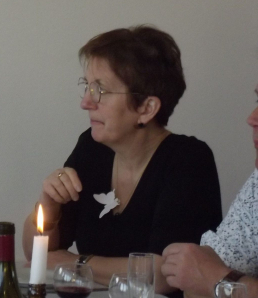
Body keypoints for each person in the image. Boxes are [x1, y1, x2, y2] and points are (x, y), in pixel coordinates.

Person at [22, 26, 223, 294]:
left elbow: (163, 276)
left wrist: (75, 263)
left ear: (146, 108)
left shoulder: (188, 160)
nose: (86, 102)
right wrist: (49, 206)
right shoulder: (92, 148)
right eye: (87, 87)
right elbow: (36, 255)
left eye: (101, 90)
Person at [161, 91, 258, 297]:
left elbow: (204, 277)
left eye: (101, 90)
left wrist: (219, 280)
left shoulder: (186, 157)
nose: (252, 118)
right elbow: (192, 282)